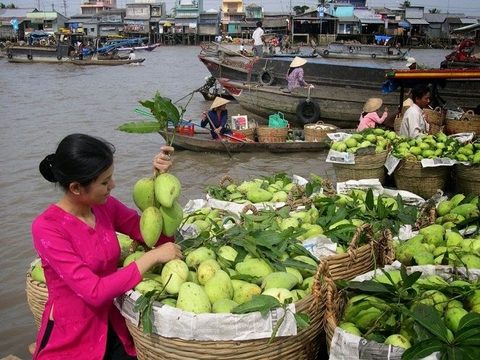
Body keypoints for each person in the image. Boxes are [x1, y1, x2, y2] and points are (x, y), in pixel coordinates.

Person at [31, 134, 183, 359]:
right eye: (104, 182)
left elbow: (156, 239)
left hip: (115, 323)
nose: (113, 185)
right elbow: (93, 292)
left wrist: (159, 184)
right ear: (76, 188)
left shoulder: (105, 206)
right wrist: (151, 258)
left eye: (111, 177)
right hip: (75, 335)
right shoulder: (48, 228)